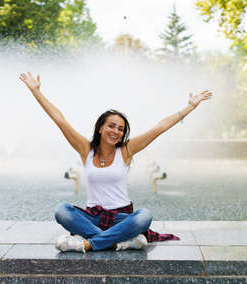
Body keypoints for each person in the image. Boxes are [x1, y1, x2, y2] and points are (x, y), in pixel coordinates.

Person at [19, 72, 212, 253]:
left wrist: (190, 107)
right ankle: (119, 242)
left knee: (144, 216)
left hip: (121, 218)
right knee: (61, 211)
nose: (116, 131)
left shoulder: (126, 151)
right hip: (92, 217)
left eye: (121, 129)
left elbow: (159, 127)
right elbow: (60, 120)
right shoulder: (86, 150)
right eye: (111, 126)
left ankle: (89, 243)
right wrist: (36, 92)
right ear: (101, 128)